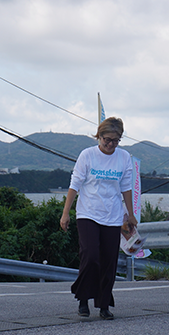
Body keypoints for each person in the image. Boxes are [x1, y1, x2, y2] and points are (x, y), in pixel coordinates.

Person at [60, 117, 137, 320]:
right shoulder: (87, 155)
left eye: (116, 140)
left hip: (112, 215)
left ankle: (104, 305)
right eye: (107, 139)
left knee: (109, 261)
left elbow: (126, 187)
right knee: (91, 256)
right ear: (99, 136)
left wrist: (130, 214)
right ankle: (83, 299)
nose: (111, 144)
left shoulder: (124, 157)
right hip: (88, 213)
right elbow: (75, 184)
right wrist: (65, 212)